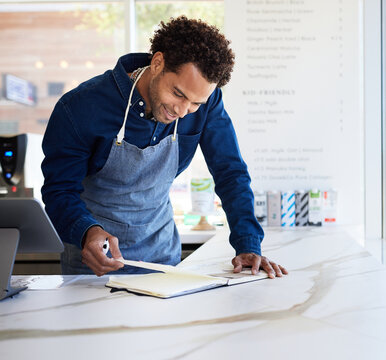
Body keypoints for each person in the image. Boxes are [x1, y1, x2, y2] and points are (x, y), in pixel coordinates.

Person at [41, 16, 287, 279]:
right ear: (157, 63)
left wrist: (247, 243)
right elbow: (60, 191)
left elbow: (230, 172)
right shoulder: (80, 107)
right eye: (178, 94)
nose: (182, 111)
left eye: (195, 104)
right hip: (93, 264)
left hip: (164, 262)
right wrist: (86, 232)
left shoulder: (209, 102)